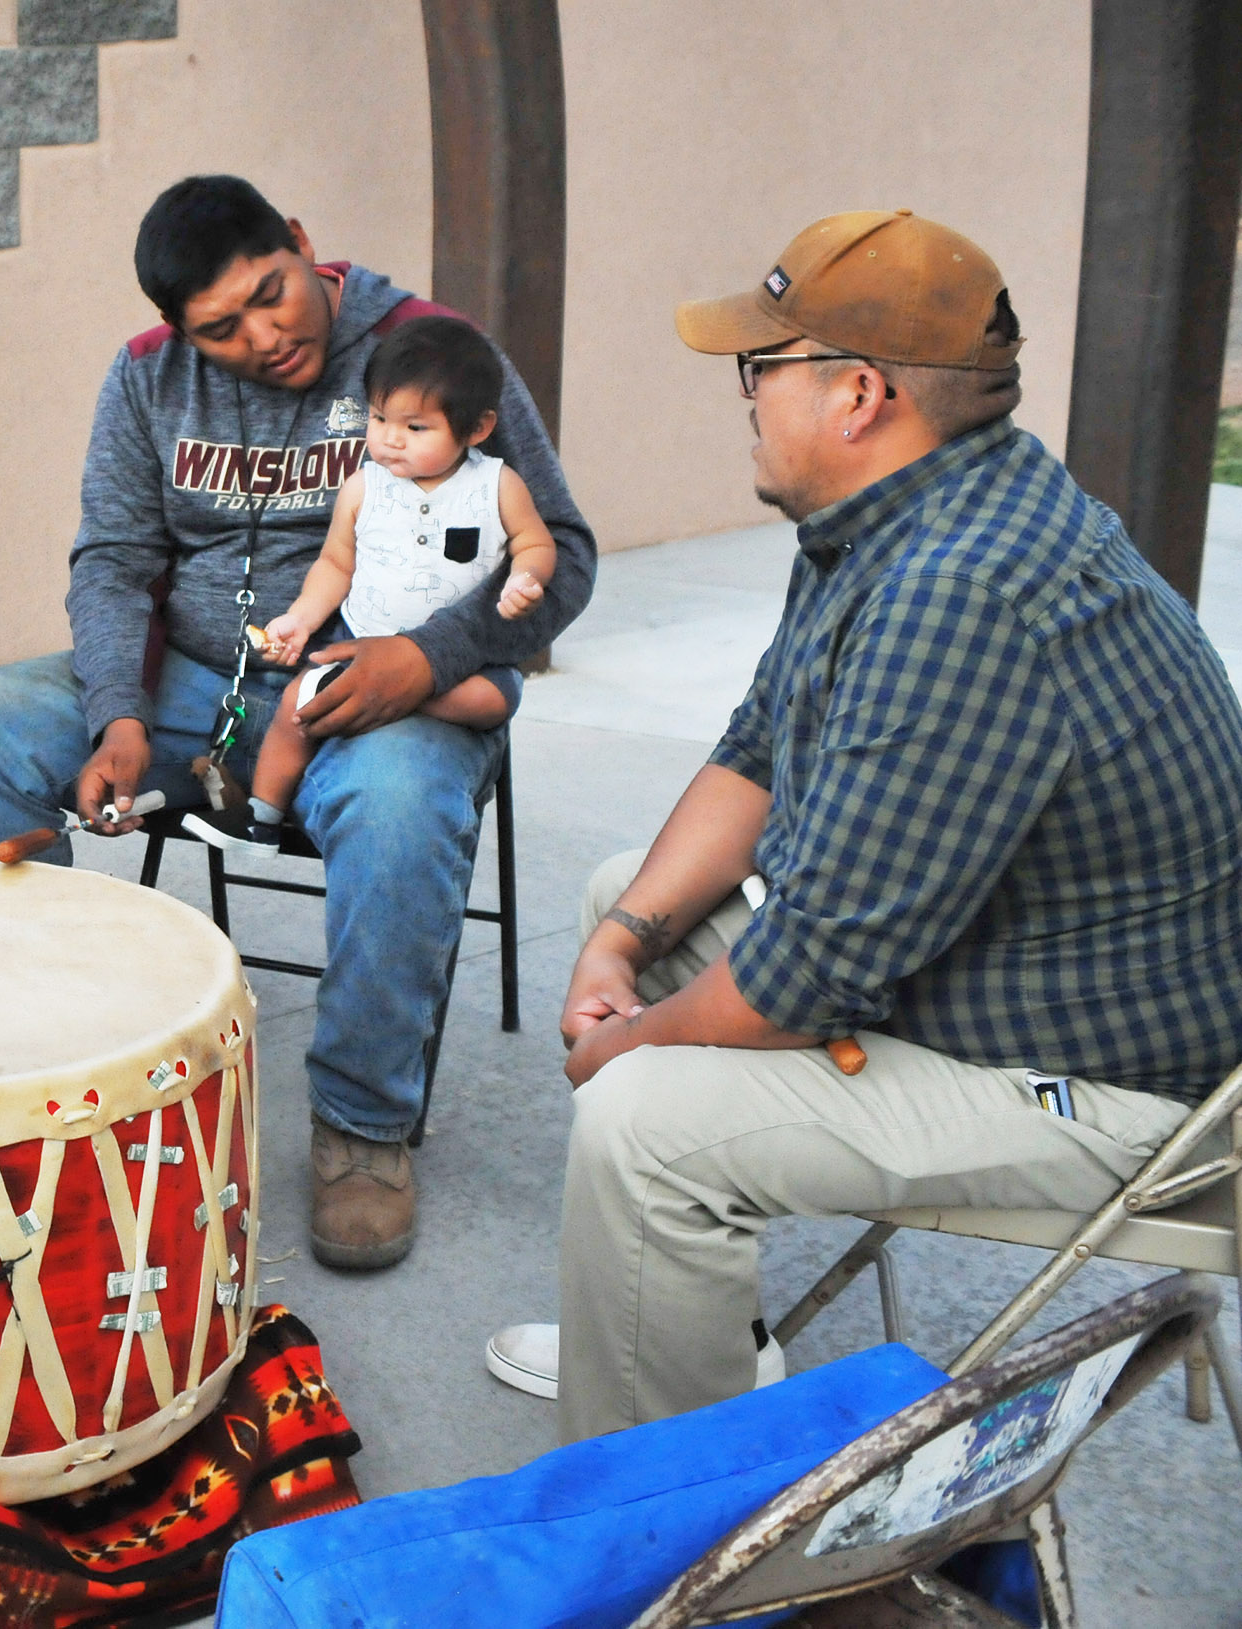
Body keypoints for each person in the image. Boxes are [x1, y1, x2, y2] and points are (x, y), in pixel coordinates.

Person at [481, 212, 1242, 1442]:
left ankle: (668, 1520)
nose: (744, 394)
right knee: (631, 886)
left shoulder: (961, 589)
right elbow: (759, 751)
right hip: (990, 977)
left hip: (1119, 1092)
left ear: (858, 394)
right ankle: (671, 1338)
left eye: (760, 367)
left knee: (646, 1130)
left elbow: (811, 975)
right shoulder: (896, 512)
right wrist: (618, 945)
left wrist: (627, 1048)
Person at [0, 175, 595, 1270]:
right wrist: (117, 716)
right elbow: (115, 559)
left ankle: (365, 1126)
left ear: (301, 242)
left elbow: (563, 556)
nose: (262, 338)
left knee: (402, 806)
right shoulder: (146, 378)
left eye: (272, 297)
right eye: (220, 330)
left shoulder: (430, 349)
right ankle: (62, 1063)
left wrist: (424, 658)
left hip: (372, 692)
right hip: (192, 685)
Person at [185, 315, 556, 858]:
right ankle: (260, 819)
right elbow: (336, 564)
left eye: (416, 427)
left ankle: (396, 703)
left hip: (462, 669)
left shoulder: (496, 485)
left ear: (476, 428)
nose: (389, 439)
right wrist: (301, 618)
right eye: (379, 417)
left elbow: (538, 543)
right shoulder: (364, 487)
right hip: (361, 650)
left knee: (492, 701)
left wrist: (527, 579)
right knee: (297, 708)